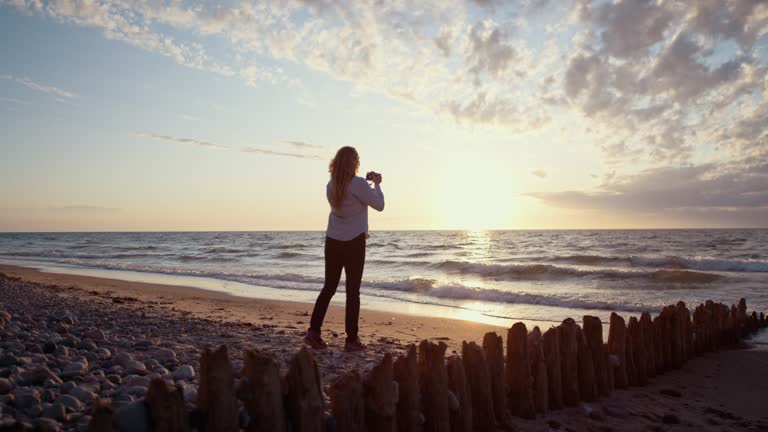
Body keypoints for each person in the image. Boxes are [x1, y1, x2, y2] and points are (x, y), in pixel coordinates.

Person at [304, 146, 384, 351]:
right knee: (352, 291)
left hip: (333, 240)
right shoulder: (358, 183)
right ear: (354, 163)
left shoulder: (331, 185)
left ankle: (313, 331)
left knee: (329, 287)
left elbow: (348, 202)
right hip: (354, 242)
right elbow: (379, 205)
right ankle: (351, 340)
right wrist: (376, 184)